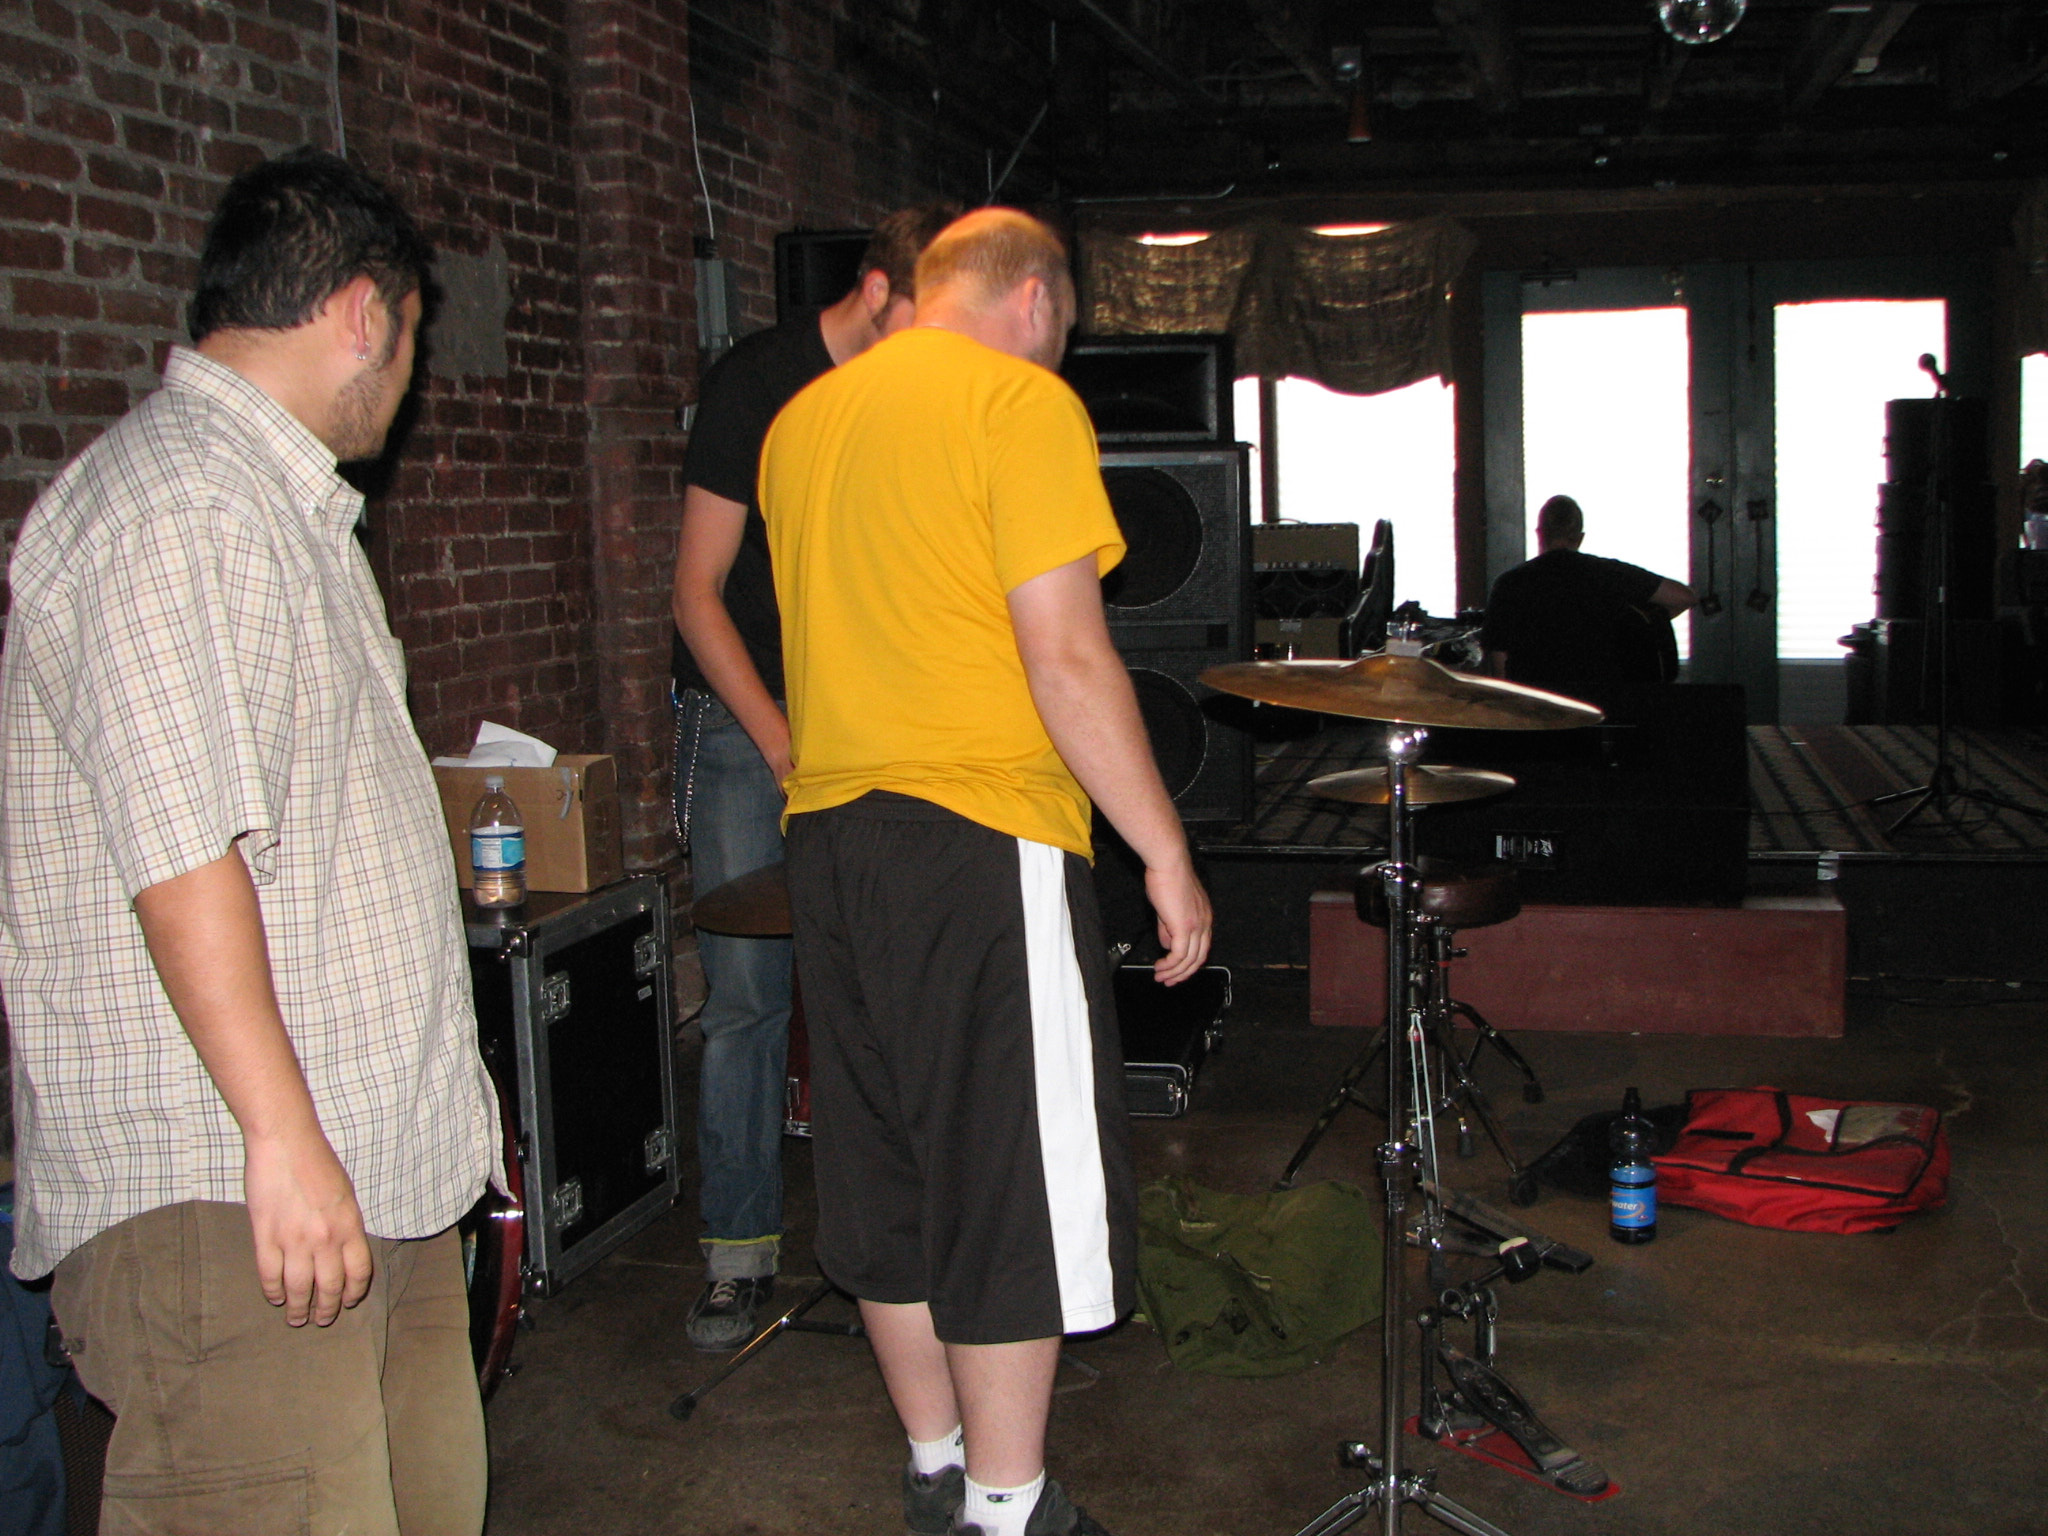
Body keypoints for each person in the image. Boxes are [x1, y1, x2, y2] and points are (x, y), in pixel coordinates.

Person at [0, 149, 500, 1536]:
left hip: (357, 1178)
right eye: (412, 342)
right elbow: (181, 852)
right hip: (229, 1198)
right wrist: (280, 1137)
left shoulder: (285, 515)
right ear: (362, 313)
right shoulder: (178, 503)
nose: (409, 381)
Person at [760, 208, 1213, 1536]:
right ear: (1030, 301)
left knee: (886, 1174)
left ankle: (938, 1471)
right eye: (1061, 336)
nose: (1057, 359)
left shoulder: (804, 424)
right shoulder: (1016, 403)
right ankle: (1012, 1512)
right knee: (1006, 1179)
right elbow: (1065, 657)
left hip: (834, 840)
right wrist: (1164, 850)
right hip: (977, 834)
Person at [671, 203, 959, 1351]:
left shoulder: (910, 397)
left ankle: (892, 1251)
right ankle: (737, 1255)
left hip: (875, 720)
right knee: (747, 1001)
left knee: (883, 990)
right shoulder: (757, 383)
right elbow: (695, 595)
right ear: (880, 290)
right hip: (753, 725)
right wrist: (786, 738)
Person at [1480, 493, 1696, 700]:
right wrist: (1639, 626)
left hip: (1536, 709)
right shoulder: (1610, 574)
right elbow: (1684, 598)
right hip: (1599, 706)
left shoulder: (1509, 584)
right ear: (1580, 537)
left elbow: (1501, 669)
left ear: (1540, 533)